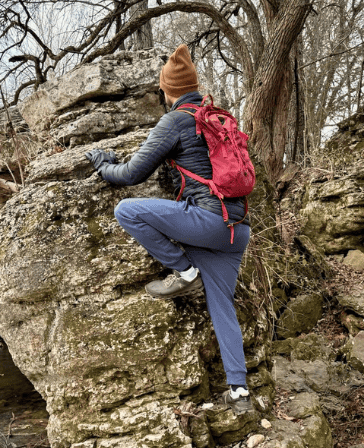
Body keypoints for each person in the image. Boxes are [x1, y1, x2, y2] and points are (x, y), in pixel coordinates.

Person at [85, 44, 253, 414]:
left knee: (127, 211)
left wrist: (102, 165)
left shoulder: (176, 121)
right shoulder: (219, 118)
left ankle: (184, 271)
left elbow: (131, 175)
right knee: (221, 305)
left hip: (208, 222)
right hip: (237, 229)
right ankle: (239, 392)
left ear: (167, 90)